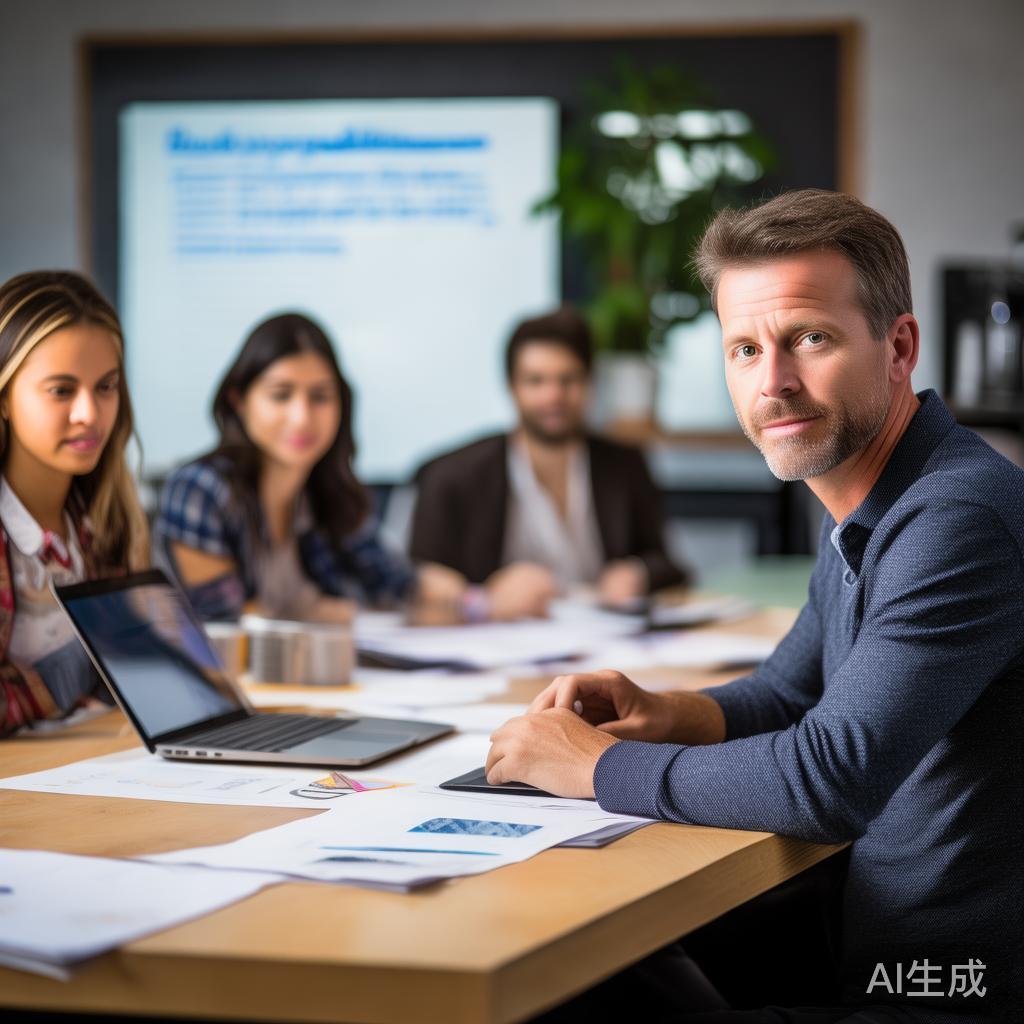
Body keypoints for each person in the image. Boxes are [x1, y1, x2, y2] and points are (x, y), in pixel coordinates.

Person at [486, 190, 1023, 1021]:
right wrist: (661, 712)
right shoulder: (871, 497)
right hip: (863, 942)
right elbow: (787, 696)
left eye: (810, 338)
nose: (773, 382)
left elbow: (828, 778)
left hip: (938, 991)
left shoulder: (956, 517)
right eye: (743, 348)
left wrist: (590, 769)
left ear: (899, 346)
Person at [156, 312, 460, 623]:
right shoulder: (199, 490)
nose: (302, 417)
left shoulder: (324, 492)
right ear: (239, 402)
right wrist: (312, 617)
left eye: (320, 397)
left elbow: (396, 580)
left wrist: (470, 597)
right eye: (281, 395)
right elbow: (221, 623)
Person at [409, 305, 688, 620]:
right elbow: (416, 584)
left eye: (568, 380)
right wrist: (483, 598)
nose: (553, 396)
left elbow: (670, 566)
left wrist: (637, 574)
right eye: (536, 380)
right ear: (512, 387)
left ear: (589, 385)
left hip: (604, 643)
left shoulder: (624, 465)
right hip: (492, 646)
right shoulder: (452, 477)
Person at [0, 271, 149, 737]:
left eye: (106, 386)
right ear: (3, 397)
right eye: (61, 390)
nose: (90, 413)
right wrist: (77, 673)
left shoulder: (107, 520)